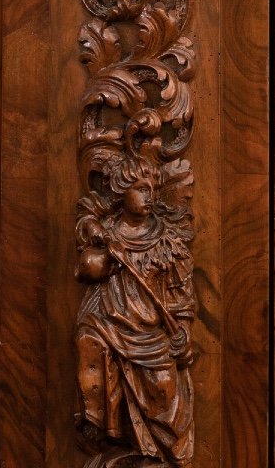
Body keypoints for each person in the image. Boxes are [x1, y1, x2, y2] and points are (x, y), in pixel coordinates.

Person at [75, 157, 195, 464]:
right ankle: (109, 435)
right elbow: (87, 268)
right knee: (90, 340)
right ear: (120, 190)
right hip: (111, 323)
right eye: (141, 189)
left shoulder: (164, 240)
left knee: (163, 392)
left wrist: (183, 330)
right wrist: (102, 250)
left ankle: (164, 453)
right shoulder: (108, 234)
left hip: (151, 332)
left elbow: (180, 293)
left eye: (153, 189)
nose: (150, 196)